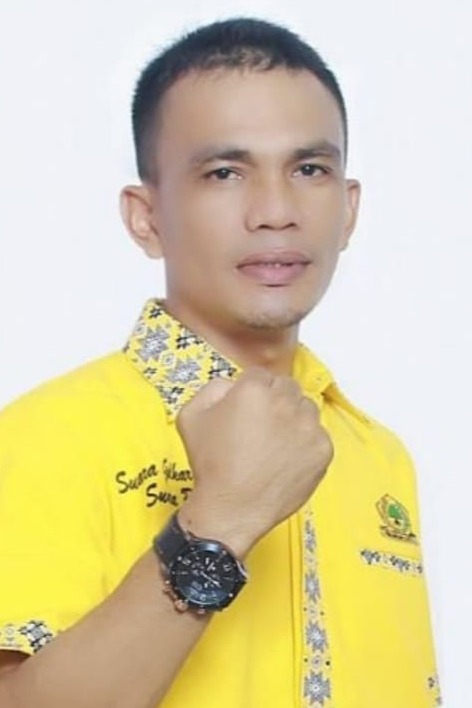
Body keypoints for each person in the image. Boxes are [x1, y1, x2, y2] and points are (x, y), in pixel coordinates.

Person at [0, 17, 440, 708]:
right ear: (146, 218)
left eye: (309, 169)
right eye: (225, 173)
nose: (275, 211)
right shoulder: (45, 437)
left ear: (349, 209)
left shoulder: (376, 454)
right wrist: (216, 525)